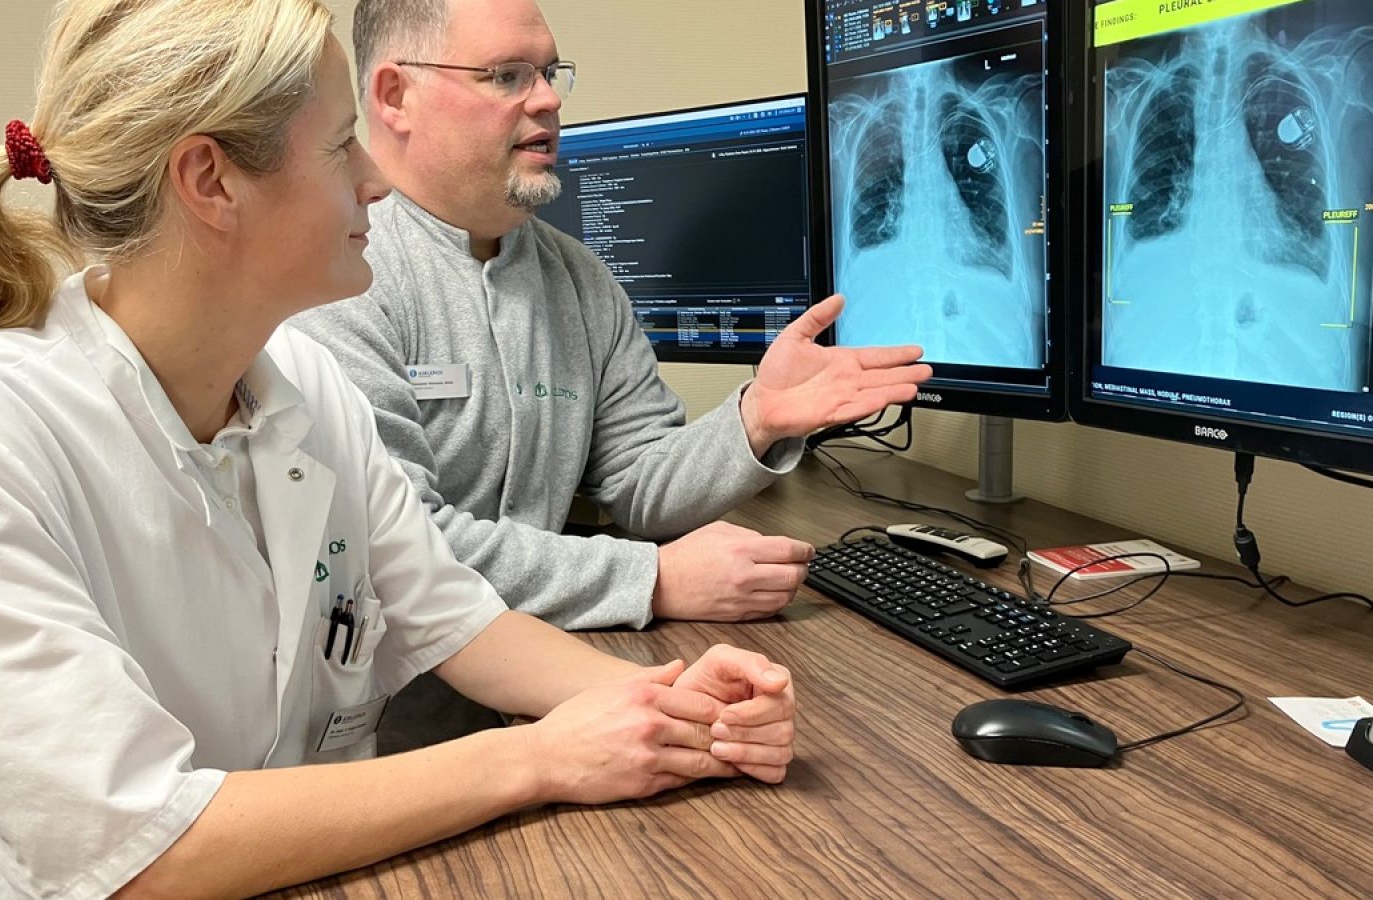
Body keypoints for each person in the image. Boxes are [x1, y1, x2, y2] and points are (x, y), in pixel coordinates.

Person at [0, 2, 796, 897]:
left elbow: (459, 620)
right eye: (344, 144)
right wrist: (541, 756)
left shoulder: (301, 383)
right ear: (210, 180)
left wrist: (669, 703)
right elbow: (136, 850)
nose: (375, 181)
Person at [289, 0, 930, 749]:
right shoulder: (338, 276)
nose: (549, 99)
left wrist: (756, 417)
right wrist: (650, 580)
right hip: (382, 740)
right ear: (396, 96)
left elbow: (638, 480)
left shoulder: (578, 279)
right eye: (507, 76)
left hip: (551, 698)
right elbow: (404, 551)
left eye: (549, 73)